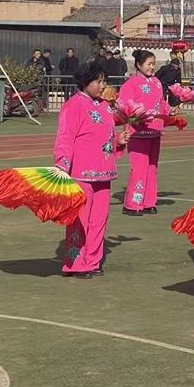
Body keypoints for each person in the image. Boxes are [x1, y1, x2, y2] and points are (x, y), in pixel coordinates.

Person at [53, 63, 130, 277]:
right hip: (80, 173)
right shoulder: (73, 106)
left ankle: (93, 261)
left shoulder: (104, 106)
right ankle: (75, 263)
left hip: (104, 173)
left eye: (104, 81)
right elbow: (65, 138)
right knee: (79, 220)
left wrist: (118, 141)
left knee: (99, 221)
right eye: (98, 81)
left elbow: (103, 136)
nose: (102, 85)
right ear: (85, 82)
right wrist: (62, 165)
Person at [119, 49, 169, 216]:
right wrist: (137, 117)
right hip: (137, 132)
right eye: (149, 64)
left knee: (152, 167)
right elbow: (125, 107)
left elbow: (161, 104)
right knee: (139, 168)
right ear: (139, 65)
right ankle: (132, 203)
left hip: (154, 130)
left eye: (154, 64)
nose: (152, 67)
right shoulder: (130, 84)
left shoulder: (156, 82)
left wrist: (170, 111)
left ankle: (149, 201)